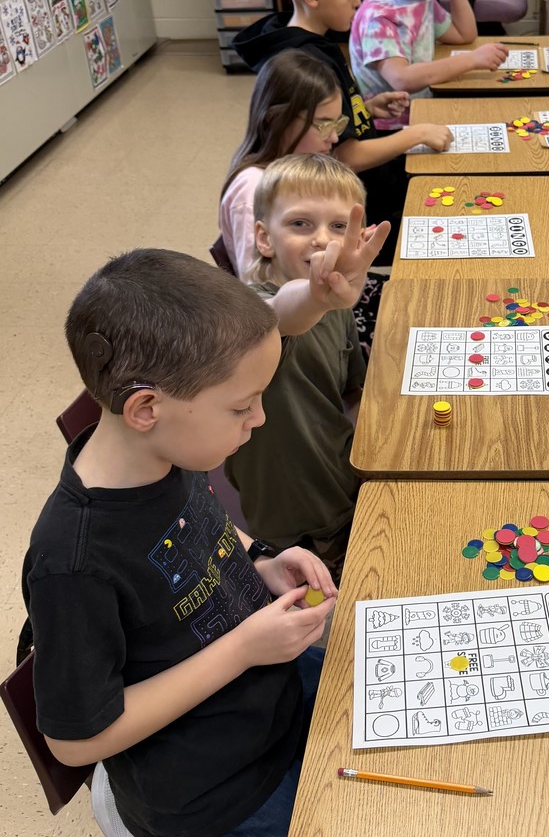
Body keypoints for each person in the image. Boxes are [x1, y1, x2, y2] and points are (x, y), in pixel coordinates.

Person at [22, 224, 389, 836]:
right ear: (145, 408)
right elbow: (74, 742)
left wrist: (262, 561)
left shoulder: (164, 455)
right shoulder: (74, 563)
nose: (260, 418)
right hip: (215, 792)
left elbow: (197, 535)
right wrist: (243, 648)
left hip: (269, 696)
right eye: (241, 406)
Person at [232, 0, 453, 264]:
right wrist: (416, 134)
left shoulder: (317, 41)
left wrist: (366, 107)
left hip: (355, 182)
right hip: (350, 198)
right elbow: (343, 154)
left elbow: (325, 119)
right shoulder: (304, 62)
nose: (358, 2)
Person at [226, 155, 368, 583]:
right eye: (301, 224)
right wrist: (317, 299)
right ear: (264, 239)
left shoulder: (335, 299)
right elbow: (281, 317)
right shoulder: (251, 314)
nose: (323, 241)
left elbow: (352, 391)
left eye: (339, 227)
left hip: (342, 486)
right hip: (294, 520)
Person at [350, 0, 509, 130]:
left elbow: (465, 34)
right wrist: (471, 59)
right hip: (389, 128)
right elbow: (401, 78)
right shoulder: (378, 17)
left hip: (422, 107)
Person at [220, 48, 344, 283]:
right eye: (323, 124)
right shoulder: (252, 190)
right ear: (277, 120)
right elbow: (258, 293)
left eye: (337, 124)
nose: (334, 138)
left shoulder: (294, 173)